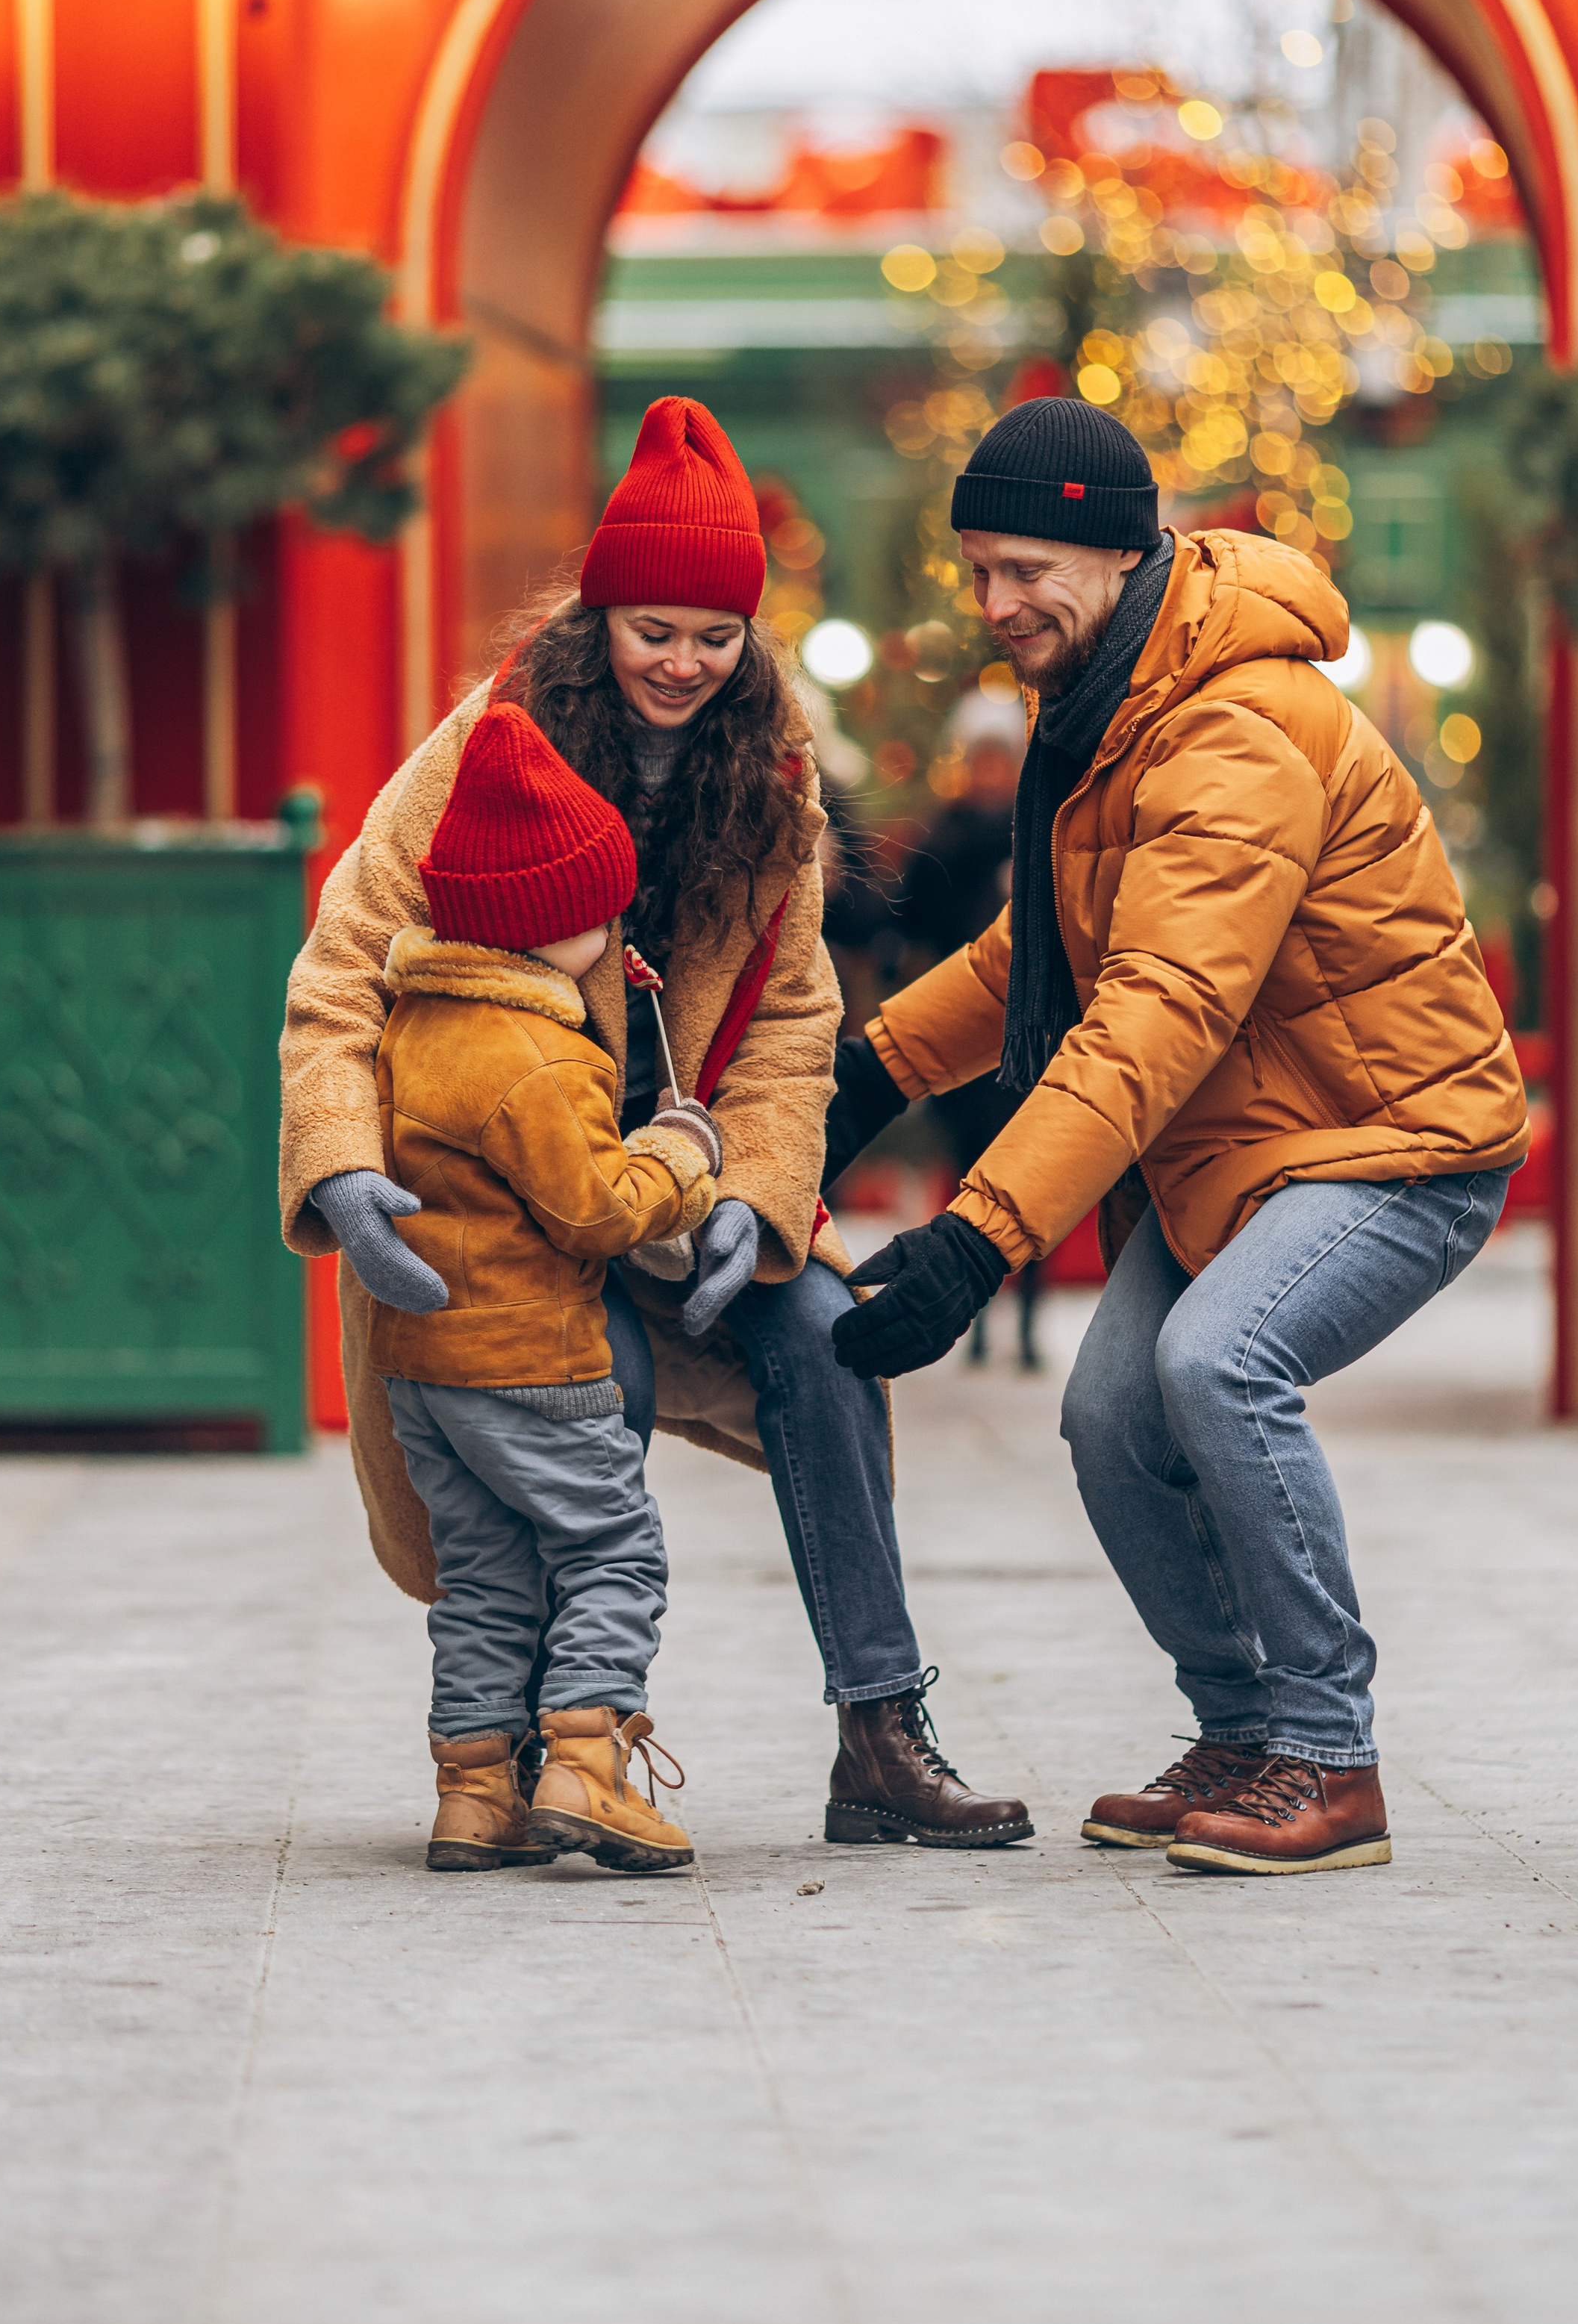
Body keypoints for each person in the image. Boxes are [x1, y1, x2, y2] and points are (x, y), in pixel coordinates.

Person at [281, 395, 1030, 1852]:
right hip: (518, 1204)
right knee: (582, 1392)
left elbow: (797, 1018)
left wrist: (753, 1194)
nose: (682, 663)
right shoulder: (484, 750)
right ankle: (566, 1745)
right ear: (602, 614)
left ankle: (879, 1732)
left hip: (682, 1194)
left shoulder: (772, 778)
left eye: (713, 634)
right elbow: (339, 970)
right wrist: (346, 1169)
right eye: (653, 630)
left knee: (824, 1344)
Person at [823, 396, 1528, 1876]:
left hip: (1393, 1139)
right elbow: (1047, 954)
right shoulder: (1110, 701)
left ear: (1116, 550)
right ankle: (1242, 1724)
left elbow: (1154, 1004)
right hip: (1252, 1152)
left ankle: (1329, 1759)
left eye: (1025, 570)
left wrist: (977, 1238)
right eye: (977, 573)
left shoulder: (1232, 724)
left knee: (1215, 1365)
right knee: (1106, 1413)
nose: (995, 605)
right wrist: (863, 1077)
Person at [330, 699, 723, 1875]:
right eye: (601, 905)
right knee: (614, 1552)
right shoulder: (538, 1057)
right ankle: (588, 1766)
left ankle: (472, 1793)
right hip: (531, 1361)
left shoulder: (416, 1027)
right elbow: (596, 1207)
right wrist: (682, 1154)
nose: (615, 925)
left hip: (425, 1368)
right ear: (547, 921)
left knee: (486, 1577)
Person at [896, 705, 1041, 1370]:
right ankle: (976, 1324)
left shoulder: (1040, 828)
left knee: (1032, 1177)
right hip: (966, 1034)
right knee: (970, 1177)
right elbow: (915, 928)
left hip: (1034, 1034)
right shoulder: (945, 841)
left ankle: (1028, 1326)